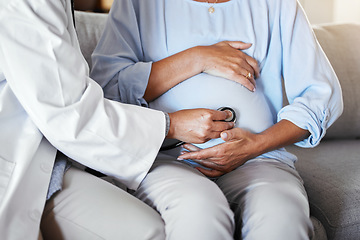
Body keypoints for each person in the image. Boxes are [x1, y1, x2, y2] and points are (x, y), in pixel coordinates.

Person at [90, 0, 344, 239]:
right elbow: (107, 89)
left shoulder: (277, 5)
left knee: (282, 214)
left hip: (260, 160)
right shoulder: (138, 4)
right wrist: (198, 58)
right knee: (199, 210)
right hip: (163, 159)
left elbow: (321, 96)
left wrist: (256, 144)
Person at [0, 0, 235, 239]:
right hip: (30, 159)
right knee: (160, 229)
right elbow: (70, 114)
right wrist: (171, 124)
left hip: (55, 156)